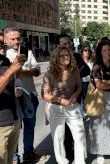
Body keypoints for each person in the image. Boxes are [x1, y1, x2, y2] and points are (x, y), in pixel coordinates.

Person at [4, 27, 45, 163]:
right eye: (13, 39)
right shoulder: (4, 56)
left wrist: (22, 71)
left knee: (29, 126)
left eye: (18, 38)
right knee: (14, 130)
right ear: (5, 40)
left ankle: (28, 153)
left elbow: (37, 70)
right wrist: (18, 69)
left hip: (30, 94)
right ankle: (15, 157)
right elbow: (9, 75)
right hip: (13, 98)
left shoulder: (27, 52)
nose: (16, 41)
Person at [41, 47, 86, 164]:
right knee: (58, 138)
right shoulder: (49, 74)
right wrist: (59, 100)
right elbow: (44, 94)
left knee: (80, 135)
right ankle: (62, 162)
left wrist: (75, 95)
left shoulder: (74, 71)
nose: (66, 57)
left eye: (67, 55)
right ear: (56, 58)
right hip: (56, 108)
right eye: (62, 55)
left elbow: (79, 87)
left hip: (72, 107)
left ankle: (80, 161)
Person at [56, 34, 90, 162]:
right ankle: (67, 156)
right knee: (63, 132)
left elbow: (86, 70)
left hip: (75, 98)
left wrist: (74, 74)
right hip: (60, 101)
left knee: (77, 130)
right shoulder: (55, 59)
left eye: (69, 42)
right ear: (59, 46)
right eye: (64, 43)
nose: (68, 45)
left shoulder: (75, 56)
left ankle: (79, 157)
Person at [0, 53, 26, 164]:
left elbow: (12, 82)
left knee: (9, 160)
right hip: (1, 126)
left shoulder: (4, 60)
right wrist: (11, 70)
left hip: (14, 119)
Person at [80, 44, 93, 111]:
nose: (87, 52)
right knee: (85, 99)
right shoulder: (80, 61)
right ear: (82, 51)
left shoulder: (92, 61)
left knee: (92, 100)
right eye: (85, 50)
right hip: (83, 83)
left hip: (92, 83)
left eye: (89, 50)